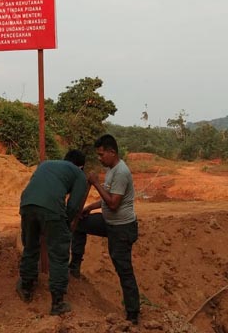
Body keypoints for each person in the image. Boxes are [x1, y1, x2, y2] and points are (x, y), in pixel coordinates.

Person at [70, 134, 140, 324]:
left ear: (112, 152)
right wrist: (89, 208)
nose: (100, 158)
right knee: (80, 225)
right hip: (109, 222)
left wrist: (95, 183)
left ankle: (133, 314)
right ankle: (74, 266)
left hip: (122, 228)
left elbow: (113, 203)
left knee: (123, 268)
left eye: (102, 155)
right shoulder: (111, 170)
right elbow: (106, 199)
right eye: (98, 155)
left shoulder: (121, 173)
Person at [16, 150, 88, 315]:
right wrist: (65, 223)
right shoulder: (79, 174)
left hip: (27, 204)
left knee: (30, 246)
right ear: (81, 166)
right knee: (58, 255)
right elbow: (74, 205)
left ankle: (26, 287)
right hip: (52, 209)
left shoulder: (46, 164)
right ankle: (57, 303)